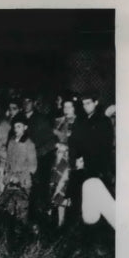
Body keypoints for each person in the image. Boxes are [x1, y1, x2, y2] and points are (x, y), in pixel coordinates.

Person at [21, 95, 57, 227]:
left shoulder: (41, 119)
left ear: (34, 103)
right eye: (24, 101)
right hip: (22, 161)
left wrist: (38, 153)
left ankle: (38, 222)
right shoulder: (20, 119)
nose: (26, 104)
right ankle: (25, 220)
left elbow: (51, 142)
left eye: (28, 101)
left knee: (38, 192)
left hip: (39, 161)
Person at [0, 113, 36, 223]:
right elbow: (8, 161)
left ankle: (22, 233)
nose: (16, 129)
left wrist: (20, 177)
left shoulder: (29, 144)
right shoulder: (11, 142)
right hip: (11, 180)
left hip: (23, 182)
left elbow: (33, 167)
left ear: (25, 127)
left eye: (19, 126)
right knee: (7, 208)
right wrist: (7, 175)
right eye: (15, 127)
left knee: (21, 210)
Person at [50, 95, 78, 227]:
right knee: (57, 189)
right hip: (58, 159)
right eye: (65, 106)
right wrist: (56, 145)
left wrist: (66, 147)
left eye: (69, 106)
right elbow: (52, 139)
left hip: (70, 160)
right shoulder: (58, 121)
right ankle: (60, 222)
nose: (66, 109)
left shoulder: (78, 122)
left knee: (67, 188)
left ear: (74, 108)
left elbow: (79, 142)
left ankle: (71, 224)